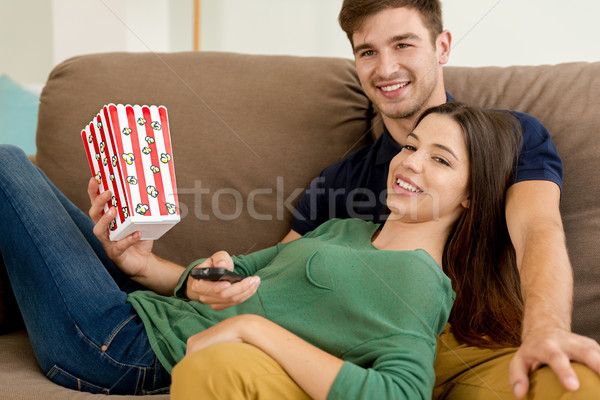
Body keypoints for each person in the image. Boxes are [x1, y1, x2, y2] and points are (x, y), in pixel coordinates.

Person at [175, 1, 600, 399]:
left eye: (403, 44)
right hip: (359, 355)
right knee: (215, 368)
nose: (386, 68)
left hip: (474, 348)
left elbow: (537, 228)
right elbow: (267, 281)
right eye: (368, 52)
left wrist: (546, 328)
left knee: (576, 383)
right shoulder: (342, 180)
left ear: (442, 46)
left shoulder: (508, 138)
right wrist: (153, 268)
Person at [1, 102, 521, 398]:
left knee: (6, 165)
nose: (410, 163)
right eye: (411, 147)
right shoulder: (346, 229)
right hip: (140, 309)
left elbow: (401, 393)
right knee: (29, 177)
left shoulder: (418, 279)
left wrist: (254, 329)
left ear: (472, 196)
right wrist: (143, 263)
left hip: (122, 348)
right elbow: (230, 279)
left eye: (441, 160)